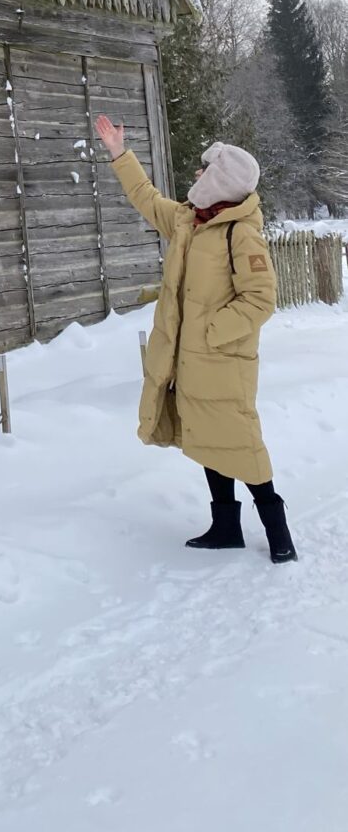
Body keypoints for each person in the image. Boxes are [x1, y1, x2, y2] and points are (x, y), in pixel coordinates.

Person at [94, 115, 297, 564]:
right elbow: (146, 199)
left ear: (220, 180)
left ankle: (278, 533)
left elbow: (260, 299)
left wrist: (209, 333)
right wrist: (118, 152)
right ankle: (225, 528)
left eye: (203, 170)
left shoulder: (240, 233)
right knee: (207, 438)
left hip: (223, 361)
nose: (195, 175)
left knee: (241, 443)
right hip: (191, 362)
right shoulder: (188, 222)